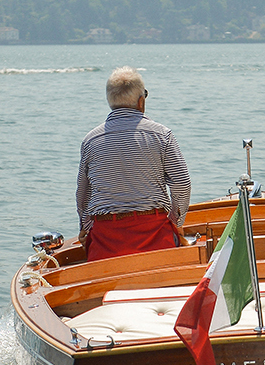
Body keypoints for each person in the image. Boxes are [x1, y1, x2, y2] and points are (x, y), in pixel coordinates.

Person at [77, 67, 190, 261]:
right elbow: (181, 185)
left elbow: (83, 194)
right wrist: (177, 224)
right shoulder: (162, 135)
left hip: (105, 240)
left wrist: (86, 228)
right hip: (154, 236)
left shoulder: (91, 140)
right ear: (141, 101)